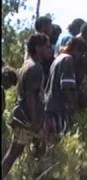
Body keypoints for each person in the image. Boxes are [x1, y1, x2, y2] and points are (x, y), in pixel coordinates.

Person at [2, 34, 52, 177]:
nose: (50, 50)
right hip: (28, 119)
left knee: (37, 150)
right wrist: (35, 122)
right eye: (46, 47)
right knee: (14, 153)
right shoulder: (35, 67)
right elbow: (30, 96)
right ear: (37, 48)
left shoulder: (27, 64)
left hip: (26, 118)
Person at [44, 38, 87, 143]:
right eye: (81, 54)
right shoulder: (68, 60)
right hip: (58, 109)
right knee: (59, 141)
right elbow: (67, 87)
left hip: (49, 106)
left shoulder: (59, 58)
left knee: (50, 142)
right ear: (77, 50)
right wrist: (74, 106)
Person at [34, 16, 54, 86]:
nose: (52, 28)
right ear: (44, 27)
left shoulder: (47, 41)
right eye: (50, 26)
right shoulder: (38, 42)